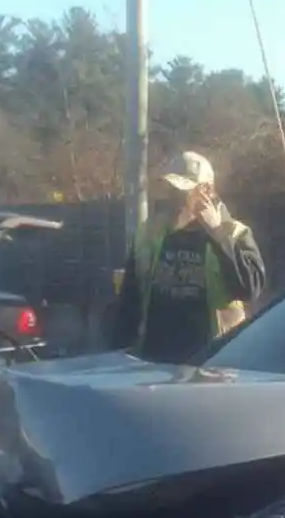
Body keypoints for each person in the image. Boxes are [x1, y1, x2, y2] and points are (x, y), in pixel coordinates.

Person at [112, 151, 266, 362]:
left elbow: (249, 289)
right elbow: (130, 298)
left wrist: (217, 234)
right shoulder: (151, 232)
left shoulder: (234, 233)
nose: (175, 198)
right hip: (155, 360)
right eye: (171, 190)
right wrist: (121, 350)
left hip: (214, 361)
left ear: (207, 191)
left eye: (183, 191)